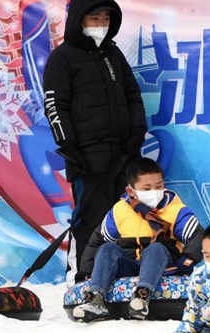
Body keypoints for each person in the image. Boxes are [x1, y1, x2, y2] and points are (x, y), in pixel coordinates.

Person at [43, 0, 147, 285]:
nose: (100, 24)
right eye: (94, 18)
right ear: (79, 19)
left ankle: (120, 276)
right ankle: (82, 278)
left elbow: (132, 95)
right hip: (88, 157)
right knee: (89, 220)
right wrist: (71, 148)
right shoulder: (62, 58)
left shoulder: (112, 54)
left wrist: (137, 133)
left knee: (126, 217)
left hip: (124, 154)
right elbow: (54, 106)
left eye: (105, 18)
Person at [73, 158, 201, 322]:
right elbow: (98, 240)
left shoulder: (175, 210)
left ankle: (142, 297)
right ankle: (95, 299)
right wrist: (85, 272)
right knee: (107, 249)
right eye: (147, 188)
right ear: (131, 190)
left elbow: (197, 235)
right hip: (131, 264)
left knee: (156, 248)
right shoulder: (120, 210)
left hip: (163, 265)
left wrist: (188, 258)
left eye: (159, 186)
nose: (154, 192)